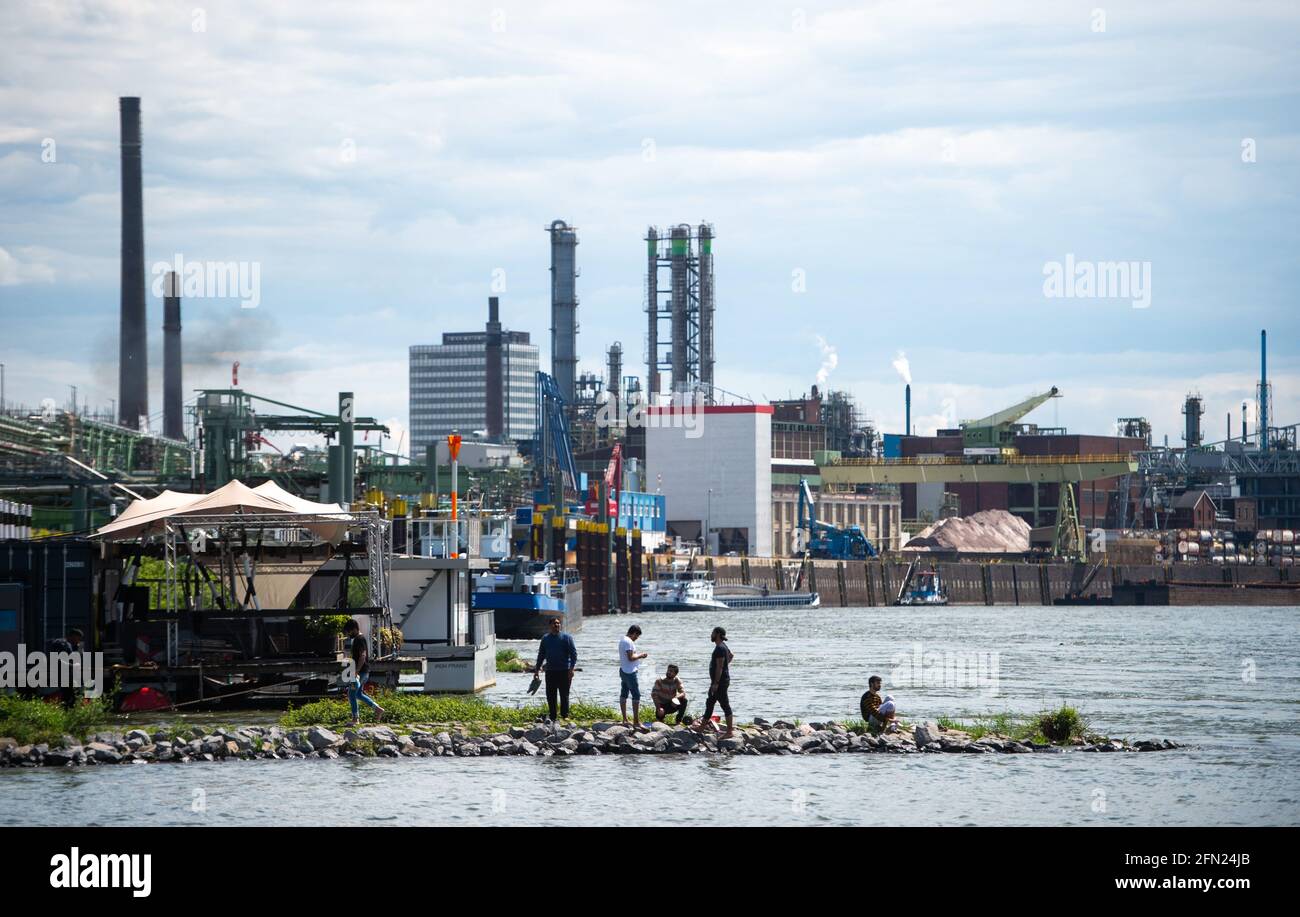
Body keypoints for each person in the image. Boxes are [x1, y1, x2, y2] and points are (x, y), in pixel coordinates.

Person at [534, 615, 578, 721]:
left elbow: (574, 654)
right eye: (554, 623)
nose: (557, 625)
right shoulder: (545, 639)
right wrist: (537, 669)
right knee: (551, 694)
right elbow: (541, 655)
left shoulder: (567, 638)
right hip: (550, 671)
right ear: (550, 625)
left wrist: (571, 669)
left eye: (558, 623)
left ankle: (565, 715)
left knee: (564, 694)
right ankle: (553, 716)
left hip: (564, 671)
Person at [343, 619, 385, 726]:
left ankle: (355, 719)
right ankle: (378, 709)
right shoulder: (359, 639)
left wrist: (356, 671)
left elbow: (362, 656)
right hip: (364, 672)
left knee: (351, 693)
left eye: (349, 632)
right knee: (358, 694)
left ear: (354, 629)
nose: (348, 634)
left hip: (360, 672)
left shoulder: (359, 639)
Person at [696, 626, 734, 739]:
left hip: (720, 683)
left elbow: (720, 666)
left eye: (712, 633)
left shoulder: (720, 648)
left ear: (717, 634)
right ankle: (701, 728)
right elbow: (731, 656)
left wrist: (716, 683)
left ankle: (729, 732)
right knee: (710, 703)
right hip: (718, 681)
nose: (711, 635)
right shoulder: (723, 647)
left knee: (725, 705)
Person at [618, 624, 648, 728]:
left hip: (623, 670)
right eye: (637, 636)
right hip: (630, 672)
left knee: (624, 694)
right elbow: (631, 657)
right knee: (636, 695)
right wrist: (641, 655)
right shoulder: (628, 641)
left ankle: (625, 719)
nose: (636, 638)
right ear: (634, 633)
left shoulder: (623, 639)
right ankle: (636, 721)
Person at [47, 627, 84, 709]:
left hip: (64, 675)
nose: (78, 641)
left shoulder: (68, 645)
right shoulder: (63, 645)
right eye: (78, 639)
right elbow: (58, 661)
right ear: (73, 636)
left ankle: (67, 713)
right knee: (72, 695)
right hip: (63, 675)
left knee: (69, 695)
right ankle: (69, 713)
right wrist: (73, 666)